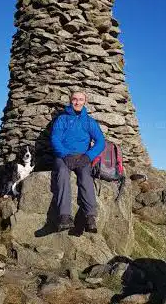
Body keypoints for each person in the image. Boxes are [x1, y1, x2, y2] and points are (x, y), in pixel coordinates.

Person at [50, 91, 105, 233]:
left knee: (86, 178)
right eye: (75, 99)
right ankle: (64, 216)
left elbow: (100, 141)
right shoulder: (62, 119)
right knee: (62, 173)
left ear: (84, 102)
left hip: (83, 157)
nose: (77, 102)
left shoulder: (89, 122)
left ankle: (90, 217)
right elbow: (55, 138)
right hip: (64, 157)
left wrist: (88, 157)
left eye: (80, 99)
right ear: (70, 101)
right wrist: (64, 154)